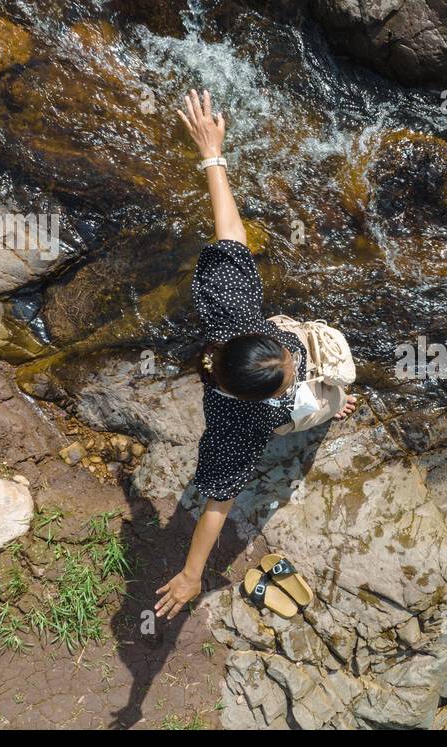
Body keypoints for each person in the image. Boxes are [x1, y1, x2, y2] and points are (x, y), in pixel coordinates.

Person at [154, 89, 356, 620]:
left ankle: (329, 400)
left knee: (317, 383)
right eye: (291, 380)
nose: (300, 371)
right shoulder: (239, 427)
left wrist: (212, 154)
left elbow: (231, 233)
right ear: (262, 400)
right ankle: (332, 408)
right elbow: (217, 504)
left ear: (255, 339)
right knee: (323, 404)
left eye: (290, 363)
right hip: (283, 418)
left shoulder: (231, 313)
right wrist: (193, 574)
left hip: (260, 369)